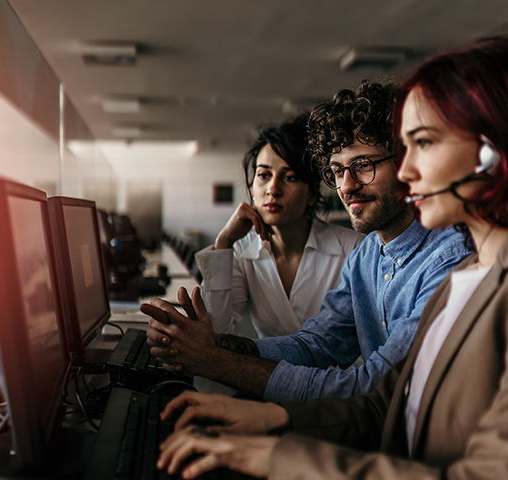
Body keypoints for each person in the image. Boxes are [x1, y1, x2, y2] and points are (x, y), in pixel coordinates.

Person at [154, 37, 508, 480]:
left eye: (425, 143)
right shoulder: (467, 276)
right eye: (338, 171)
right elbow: (388, 406)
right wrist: (278, 419)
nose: (409, 172)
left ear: (495, 152)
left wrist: (279, 455)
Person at [141, 81, 471, 401]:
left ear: (408, 164)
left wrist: (214, 360)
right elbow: (316, 345)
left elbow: (374, 388)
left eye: (363, 165)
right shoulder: (368, 255)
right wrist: (212, 345)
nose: (347, 186)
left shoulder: (450, 260)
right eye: (337, 171)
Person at [195, 115, 365, 338]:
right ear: (251, 187)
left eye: (290, 177)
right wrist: (224, 243)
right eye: (264, 175)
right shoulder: (239, 252)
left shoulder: (353, 249)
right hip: (268, 373)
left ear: (313, 193)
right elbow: (218, 333)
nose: (272, 189)